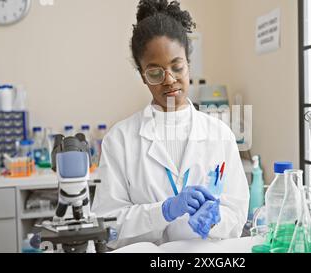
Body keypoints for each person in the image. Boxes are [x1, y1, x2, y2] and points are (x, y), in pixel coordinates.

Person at [92, 0, 249, 249]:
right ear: (143, 76)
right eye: (155, 73)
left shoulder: (220, 134)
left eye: (177, 67)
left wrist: (215, 221)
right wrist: (163, 211)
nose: (169, 80)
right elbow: (107, 224)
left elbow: (237, 212)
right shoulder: (120, 139)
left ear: (188, 64)